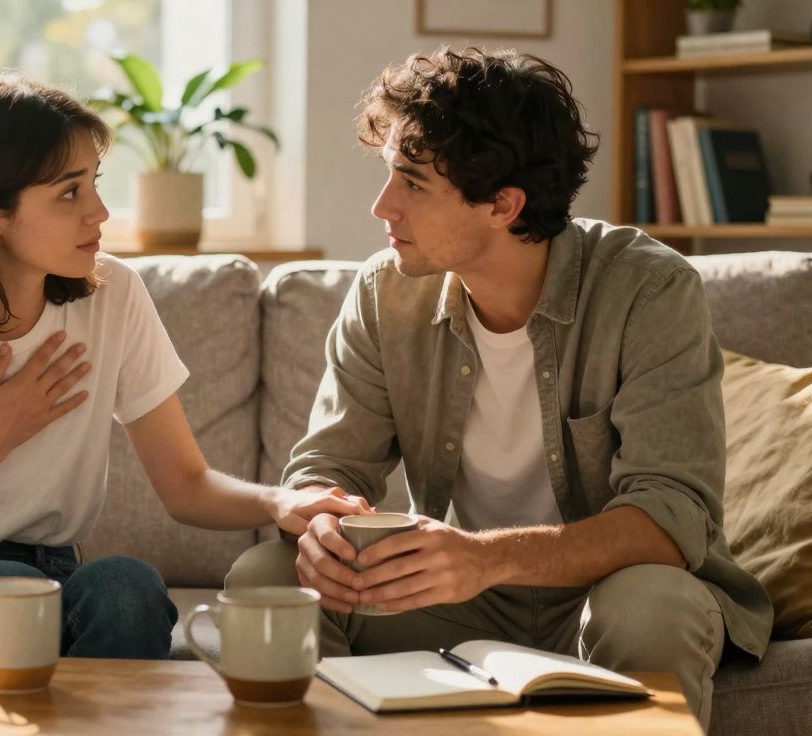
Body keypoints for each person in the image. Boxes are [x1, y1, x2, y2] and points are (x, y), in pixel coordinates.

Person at [225, 48, 772, 729]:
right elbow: (328, 466)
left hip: (606, 588)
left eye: (413, 183)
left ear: (502, 204)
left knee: (650, 605)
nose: (381, 206)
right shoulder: (382, 294)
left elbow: (671, 518)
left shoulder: (648, 290)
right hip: (460, 596)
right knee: (267, 579)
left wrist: (484, 558)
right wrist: (321, 527)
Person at [0, 75, 368, 658]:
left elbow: (185, 485)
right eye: (68, 193)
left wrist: (280, 502)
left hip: (51, 577)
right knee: (13, 599)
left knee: (127, 590)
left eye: (94, 185)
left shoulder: (113, 297)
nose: (99, 212)